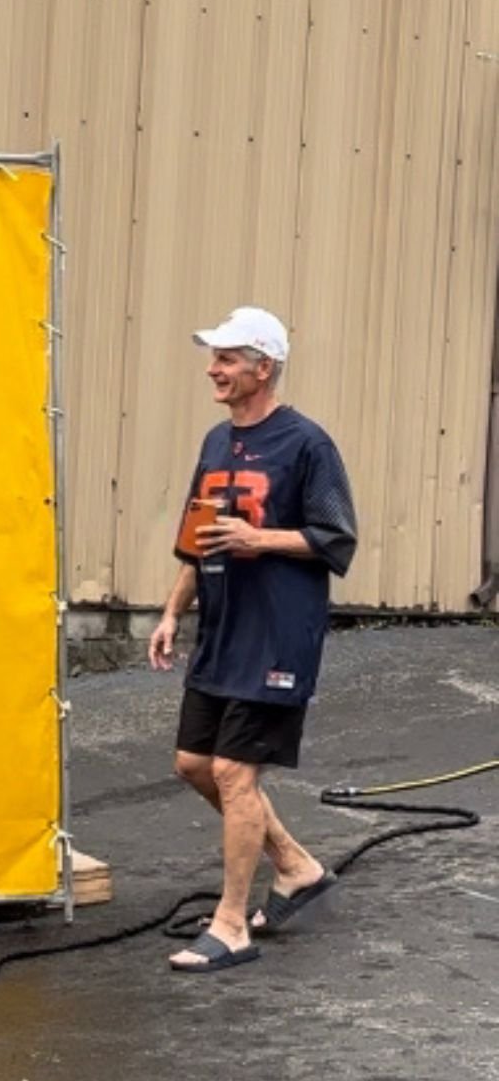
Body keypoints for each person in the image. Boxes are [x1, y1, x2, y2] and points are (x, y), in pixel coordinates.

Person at [148, 307, 358, 974]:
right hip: (221, 631)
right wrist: (172, 613)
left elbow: (335, 538)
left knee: (236, 774)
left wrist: (257, 539)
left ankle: (231, 924)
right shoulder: (215, 442)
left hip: (276, 637)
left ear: (262, 368)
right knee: (193, 764)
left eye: (228, 358)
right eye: (213, 357)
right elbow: (195, 539)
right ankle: (295, 866)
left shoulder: (307, 445)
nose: (213, 368)